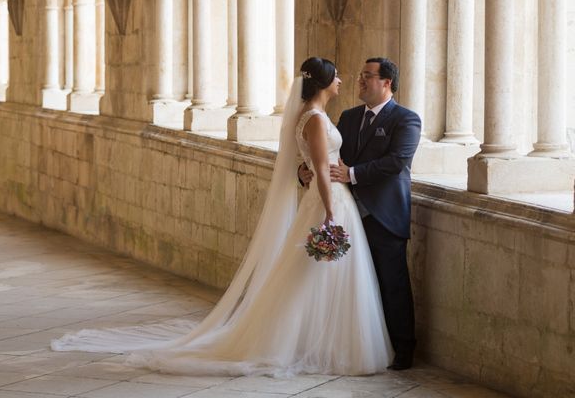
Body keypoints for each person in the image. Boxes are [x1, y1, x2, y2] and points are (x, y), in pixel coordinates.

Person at [51, 57, 393, 377]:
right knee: (313, 275)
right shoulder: (316, 119)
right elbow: (319, 168)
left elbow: (309, 164)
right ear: (323, 83)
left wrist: (315, 181)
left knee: (314, 276)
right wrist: (331, 213)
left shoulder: (308, 114)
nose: (343, 80)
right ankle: (312, 345)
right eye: (336, 76)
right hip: (328, 202)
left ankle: (315, 342)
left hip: (325, 200)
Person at [299, 57, 420, 370]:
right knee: (356, 286)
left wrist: (352, 174)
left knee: (392, 284)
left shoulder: (406, 119)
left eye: (369, 76)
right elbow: (326, 155)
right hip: (349, 212)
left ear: (387, 83)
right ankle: (357, 345)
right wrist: (306, 170)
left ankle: (403, 350)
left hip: (384, 214)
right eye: (360, 75)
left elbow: (397, 161)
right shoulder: (349, 118)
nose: (361, 81)